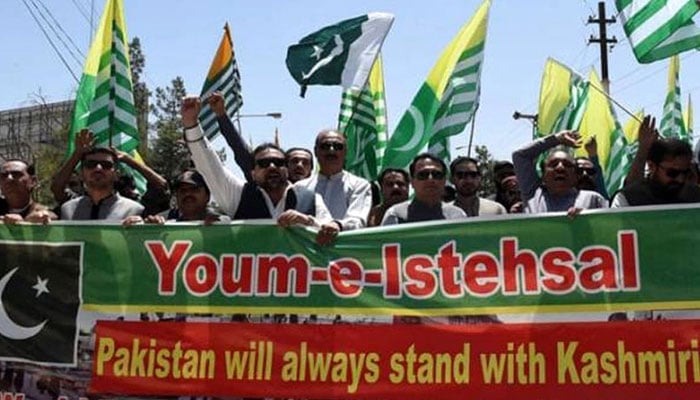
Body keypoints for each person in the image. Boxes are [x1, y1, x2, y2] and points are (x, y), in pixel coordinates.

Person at [181, 96, 336, 244]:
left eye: (278, 162)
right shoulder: (239, 195)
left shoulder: (311, 199)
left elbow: (332, 232)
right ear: (253, 173)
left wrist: (308, 222)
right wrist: (191, 122)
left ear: (286, 169)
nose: (272, 167)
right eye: (264, 163)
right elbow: (209, 165)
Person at [295, 129, 373, 233]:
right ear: (316, 151)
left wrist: (338, 225)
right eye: (325, 146)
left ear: (345, 152)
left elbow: (358, 221)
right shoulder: (299, 188)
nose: (331, 150)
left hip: (343, 246)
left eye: (338, 146)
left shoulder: (359, 185)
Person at [512, 130, 607, 214]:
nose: (560, 168)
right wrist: (556, 139)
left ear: (576, 175)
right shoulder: (533, 195)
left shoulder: (592, 199)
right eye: (553, 164)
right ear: (543, 174)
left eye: (567, 165)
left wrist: (588, 218)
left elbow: (610, 227)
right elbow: (520, 156)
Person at [60, 146, 144, 221]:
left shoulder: (134, 210)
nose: (98, 168)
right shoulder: (67, 209)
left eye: (106, 165)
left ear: (117, 175)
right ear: (81, 173)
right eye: (91, 164)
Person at [611, 137, 700, 207]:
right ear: (651, 166)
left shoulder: (696, 197)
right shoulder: (628, 199)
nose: (680, 179)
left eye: (685, 173)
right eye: (672, 173)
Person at [382, 153, 465, 224]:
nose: (430, 179)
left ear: (444, 180)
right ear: (412, 181)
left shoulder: (458, 216)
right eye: (423, 175)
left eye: (437, 175)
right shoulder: (395, 215)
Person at [144, 169, 228, 223]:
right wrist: (147, 228)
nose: (188, 194)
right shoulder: (164, 222)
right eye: (183, 191)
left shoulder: (223, 223)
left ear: (207, 196)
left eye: (194, 190)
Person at [0, 159, 55, 223]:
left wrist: (24, 222)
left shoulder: (41, 214)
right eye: (4, 175)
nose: (9, 179)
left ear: (33, 181)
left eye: (16, 174)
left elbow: (52, 217)